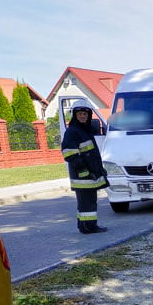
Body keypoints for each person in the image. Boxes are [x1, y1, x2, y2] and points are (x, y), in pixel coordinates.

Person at [61, 99, 109, 234]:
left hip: (88, 174)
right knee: (87, 203)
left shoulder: (85, 130)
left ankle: (84, 226)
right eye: (80, 114)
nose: (83, 116)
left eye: (85, 114)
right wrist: (83, 171)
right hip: (82, 176)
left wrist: (99, 170)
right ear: (75, 115)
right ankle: (89, 227)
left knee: (87, 202)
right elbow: (69, 154)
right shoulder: (72, 132)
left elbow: (92, 155)